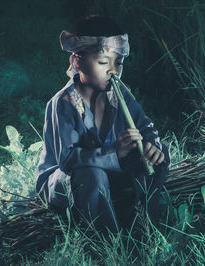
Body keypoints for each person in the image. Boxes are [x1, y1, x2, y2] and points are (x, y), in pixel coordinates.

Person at [35, 15, 170, 235]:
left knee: (161, 152)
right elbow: (69, 161)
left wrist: (150, 144)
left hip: (109, 172)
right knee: (92, 173)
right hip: (67, 180)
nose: (113, 71)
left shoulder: (119, 93)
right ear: (76, 62)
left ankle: (146, 225)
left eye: (119, 63)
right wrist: (114, 152)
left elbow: (145, 126)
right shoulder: (63, 103)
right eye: (102, 63)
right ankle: (107, 240)